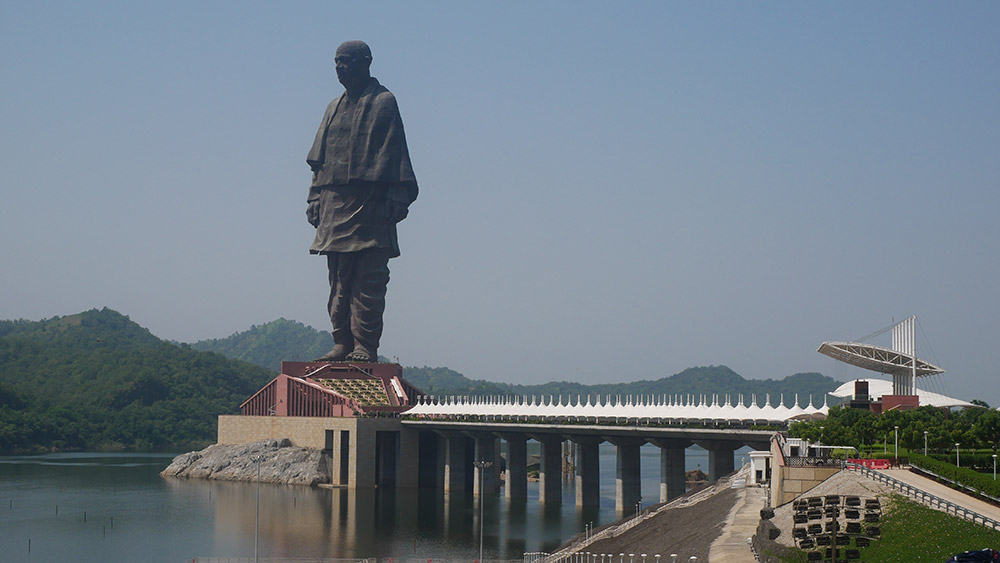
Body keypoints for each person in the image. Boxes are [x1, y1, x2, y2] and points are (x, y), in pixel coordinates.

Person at [306, 40, 417, 362]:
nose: (339, 67)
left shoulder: (384, 101)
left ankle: (364, 346)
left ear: (365, 62)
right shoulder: (333, 106)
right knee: (338, 278)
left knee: (369, 277)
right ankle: (341, 341)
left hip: (369, 201)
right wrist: (314, 197)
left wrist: (397, 195)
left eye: (345, 61)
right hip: (333, 200)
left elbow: (395, 152)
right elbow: (319, 161)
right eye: (336, 62)